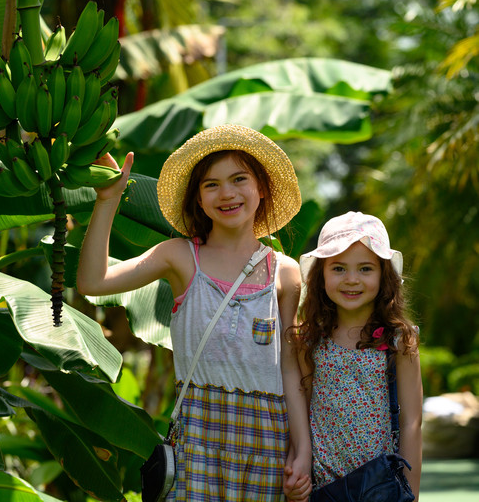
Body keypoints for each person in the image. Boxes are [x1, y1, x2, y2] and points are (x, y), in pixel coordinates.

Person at [77, 124, 312, 501]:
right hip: (197, 442)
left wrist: (303, 453)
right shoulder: (180, 256)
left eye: (239, 179)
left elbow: (291, 369)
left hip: (268, 444)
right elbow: (93, 281)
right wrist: (108, 199)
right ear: (198, 199)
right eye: (211, 184)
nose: (227, 193)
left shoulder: (284, 273)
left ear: (261, 188)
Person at [285, 211, 422, 501]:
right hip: (324, 486)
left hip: (379, 486)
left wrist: (411, 492)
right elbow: (303, 408)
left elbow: (412, 421)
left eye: (365, 269)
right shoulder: (309, 339)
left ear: (384, 275)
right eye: (338, 268)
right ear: (320, 274)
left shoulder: (399, 339)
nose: (351, 280)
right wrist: (298, 465)